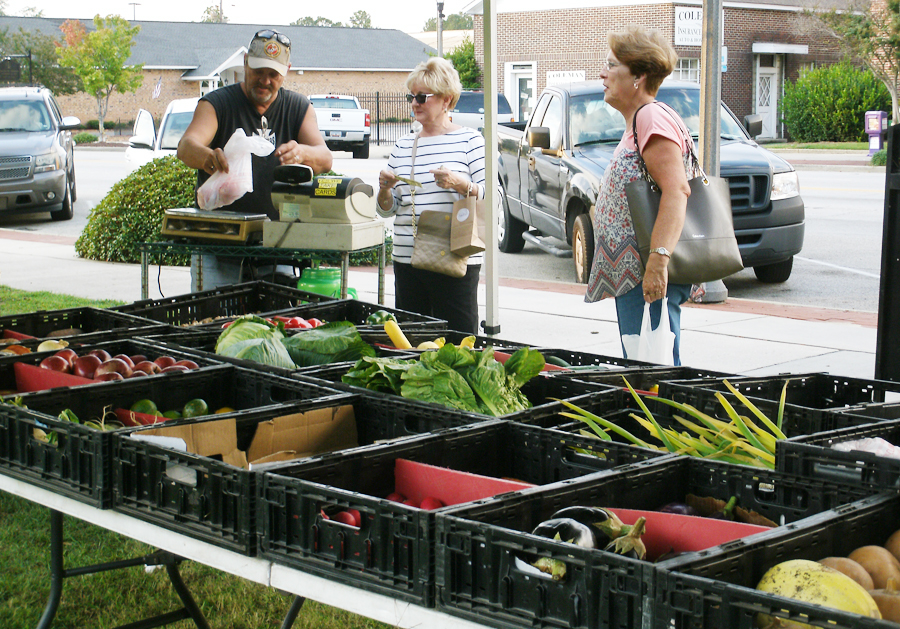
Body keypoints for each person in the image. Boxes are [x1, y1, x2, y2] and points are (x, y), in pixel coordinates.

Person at [177, 28, 333, 290]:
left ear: (286, 71)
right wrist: (209, 157)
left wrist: (302, 152)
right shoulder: (217, 103)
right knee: (214, 321)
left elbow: (325, 158)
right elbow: (186, 146)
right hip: (218, 245)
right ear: (246, 62)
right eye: (258, 71)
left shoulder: (298, 107)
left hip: (277, 243)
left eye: (273, 74)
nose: (265, 80)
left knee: (275, 324)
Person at [584, 26, 693, 365]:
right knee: (644, 363)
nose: (602, 73)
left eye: (612, 64)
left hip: (645, 271)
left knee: (653, 370)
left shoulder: (650, 117)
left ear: (639, 76)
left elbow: (677, 190)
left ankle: (664, 421)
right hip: (633, 274)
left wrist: (658, 264)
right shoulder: (639, 121)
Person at [375, 57, 485, 333]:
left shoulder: (470, 141)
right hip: (409, 259)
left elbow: (492, 198)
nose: (415, 103)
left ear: (446, 100)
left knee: (459, 342)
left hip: (456, 257)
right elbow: (387, 210)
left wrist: (461, 185)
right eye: (412, 97)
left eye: (422, 97)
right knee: (413, 343)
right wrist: (384, 190)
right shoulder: (402, 146)